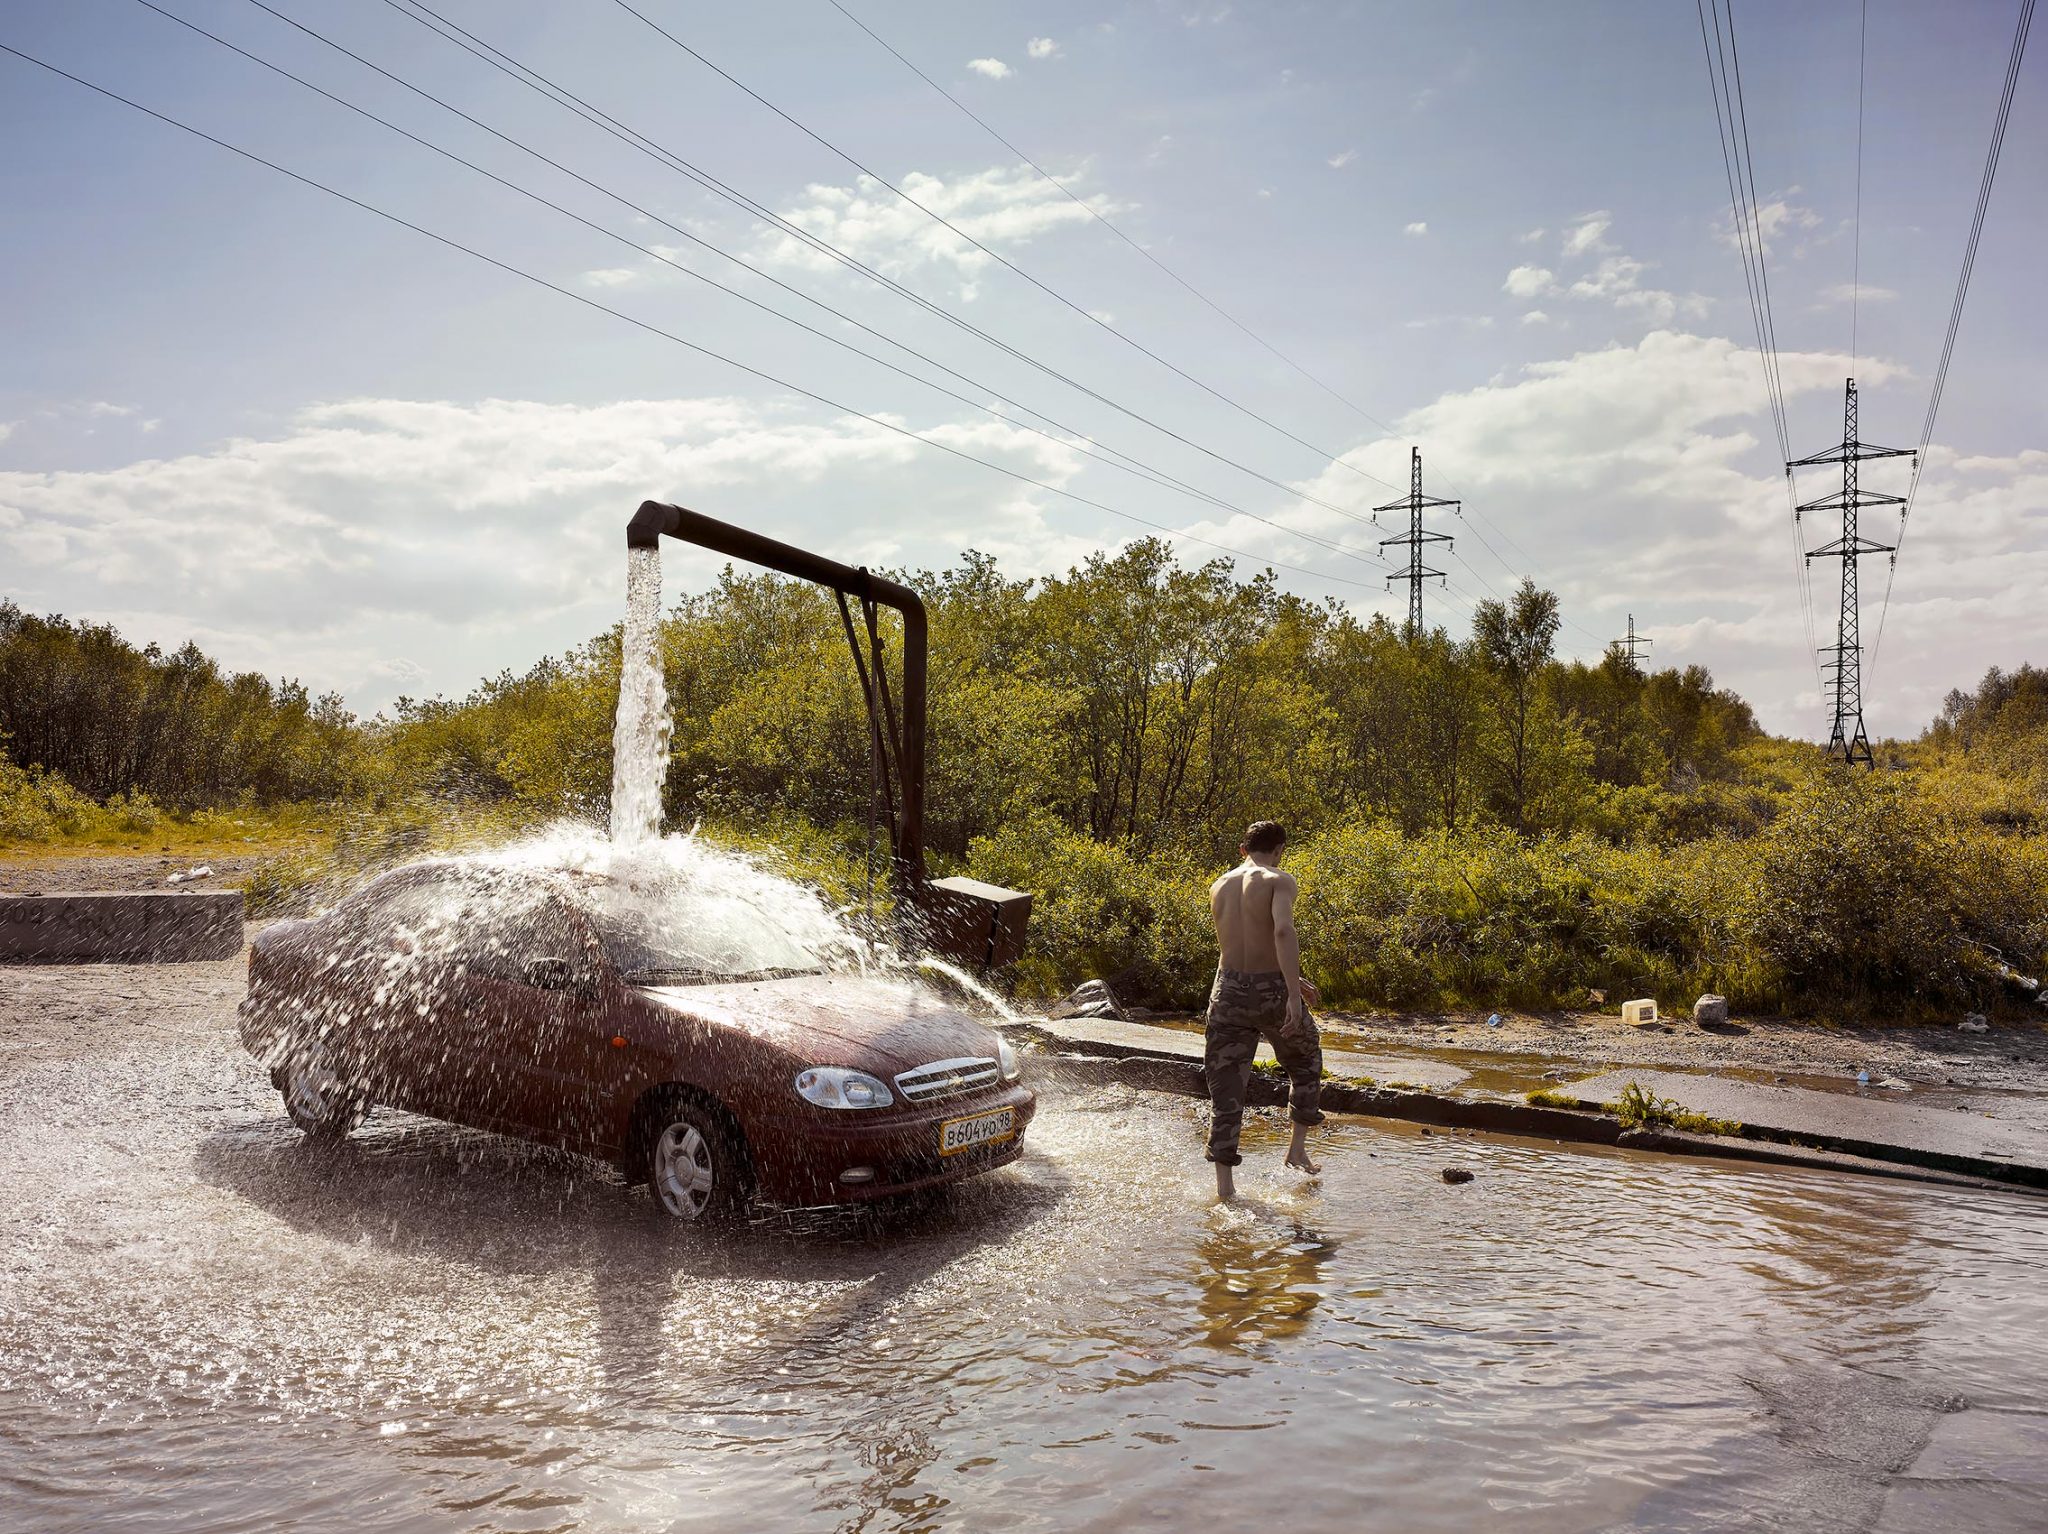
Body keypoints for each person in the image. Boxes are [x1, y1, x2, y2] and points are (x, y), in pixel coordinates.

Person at [1203, 820, 1323, 1200]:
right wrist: (1291, 991)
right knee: (1305, 1060)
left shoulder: (1219, 885)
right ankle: (1296, 1150)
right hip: (1271, 990)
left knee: (1227, 1087)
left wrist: (1293, 977)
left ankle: (1225, 1189)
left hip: (1227, 991)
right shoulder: (1278, 880)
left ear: (1243, 850)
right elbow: (1281, 932)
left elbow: (1239, 941)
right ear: (1280, 849)